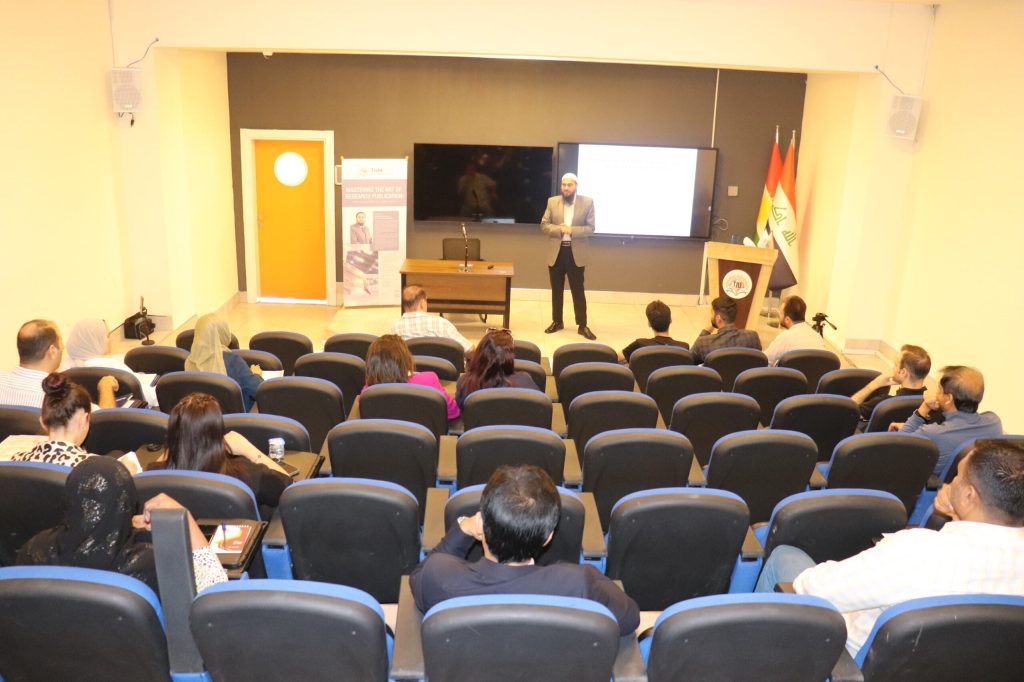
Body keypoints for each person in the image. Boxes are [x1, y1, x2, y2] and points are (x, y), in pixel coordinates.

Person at [754, 438, 1024, 658]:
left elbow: (813, 588)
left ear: (968, 496)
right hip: (937, 668)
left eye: (957, 477)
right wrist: (958, 514)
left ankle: (755, 657)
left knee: (785, 557)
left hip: (851, 662)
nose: (949, 483)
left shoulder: (919, 553)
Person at [410, 465, 639, 635]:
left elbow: (421, 573)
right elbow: (629, 618)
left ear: (482, 525)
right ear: (548, 537)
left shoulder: (439, 578)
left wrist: (463, 528)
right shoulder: (581, 584)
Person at [16, 457, 228, 592]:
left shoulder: (33, 551)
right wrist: (185, 519)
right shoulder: (151, 562)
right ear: (128, 503)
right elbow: (213, 594)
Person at [145, 392, 291, 509]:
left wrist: (174, 448)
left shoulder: (154, 478)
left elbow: (145, 480)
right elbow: (289, 491)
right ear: (218, 432)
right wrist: (248, 449)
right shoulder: (247, 474)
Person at [893, 365, 1003, 475]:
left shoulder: (933, 433)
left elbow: (897, 447)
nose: (936, 393)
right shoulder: (994, 422)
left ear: (949, 398)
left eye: (939, 390)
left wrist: (923, 408)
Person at [0, 319, 117, 409]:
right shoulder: (63, 396)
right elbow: (104, 422)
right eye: (60, 341)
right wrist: (105, 387)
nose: (63, 347)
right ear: (52, 351)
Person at [541, 173, 596, 340]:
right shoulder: (552, 201)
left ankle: (582, 325)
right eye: (563, 185)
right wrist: (560, 229)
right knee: (556, 290)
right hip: (557, 253)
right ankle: (557, 321)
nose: (566, 188)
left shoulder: (587, 202)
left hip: (575, 253)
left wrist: (572, 230)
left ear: (576, 186)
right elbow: (544, 225)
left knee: (578, 290)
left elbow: (591, 228)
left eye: (569, 185)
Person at [65, 318, 160, 407]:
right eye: (107, 336)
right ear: (95, 340)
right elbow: (146, 395)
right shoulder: (110, 367)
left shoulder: (69, 369)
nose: (110, 340)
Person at [360, 334, 459, 420]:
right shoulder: (429, 380)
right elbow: (454, 412)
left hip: (384, 436)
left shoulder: (368, 391)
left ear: (370, 365)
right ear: (405, 359)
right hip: (425, 435)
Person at [186, 314, 262, 412]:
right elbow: (258, 390)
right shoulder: (233, 361)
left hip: (202, 415)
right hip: (234, 418)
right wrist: (256, 374)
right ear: (222, 333)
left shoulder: (190, 360)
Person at [454, 329, 536, 409]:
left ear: (479, 354)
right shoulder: (525, 380)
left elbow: (461, 412)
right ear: (509, 357)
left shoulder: (464, 383)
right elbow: (538, 407)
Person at [851, 344, 930, 423]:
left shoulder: (885, 404)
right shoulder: (930, 403)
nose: (892, 368)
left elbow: (847, 411)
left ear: (902, 372)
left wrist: (873, 385)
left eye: (895, 365)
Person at [390, 285, 472, 352]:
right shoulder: (442, 324)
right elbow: (469, 350)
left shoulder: (395, 329)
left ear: (403, 305)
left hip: (410, 367)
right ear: (422, 303)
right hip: (441, 368)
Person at [690, 296, 762, 364]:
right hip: (743, 373)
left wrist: (705, 331)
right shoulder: (752, 337)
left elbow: (689, 360)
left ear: (718, 319)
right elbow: (758, 361)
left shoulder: (703, 343)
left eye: (711, 313)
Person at [763, 295, 826, 365]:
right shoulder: (818, 337)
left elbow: (764, 359)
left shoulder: (785, 338)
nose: (779, 316)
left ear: (787, 319)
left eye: (780, 313)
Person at [620, 300, 690, 362]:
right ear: (670, 320)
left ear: (649, 324)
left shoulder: (639, 345)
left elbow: (615, 357)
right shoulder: (684, 348)